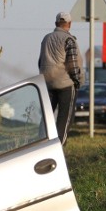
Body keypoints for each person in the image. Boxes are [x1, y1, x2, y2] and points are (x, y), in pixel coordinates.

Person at [38, 11, 82, 145]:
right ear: (69, 24)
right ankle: (59, 146)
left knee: (47, 116)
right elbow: (72, 65)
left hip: (47, 82)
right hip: (65, 83)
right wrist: (77, 80)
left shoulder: (46, 38)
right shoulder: (69, 39)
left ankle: (40, 143)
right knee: (64, 117)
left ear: (56, 23)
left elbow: (40, 61)